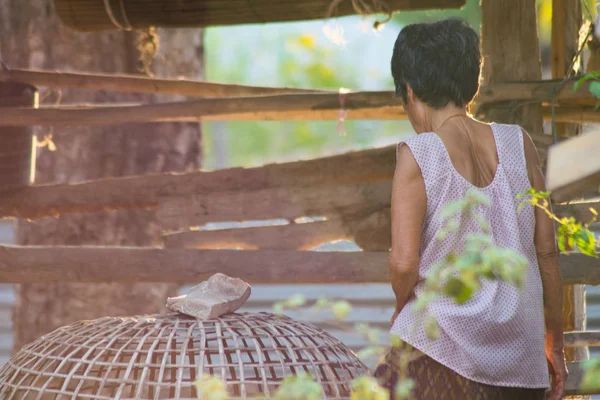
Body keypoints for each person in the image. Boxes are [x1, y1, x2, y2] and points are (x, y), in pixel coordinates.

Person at [374, 19, 568, 400]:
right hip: (520, 369)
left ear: (410, 92)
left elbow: (402, 264)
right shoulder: (519, 143)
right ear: (473, 84)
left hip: (443, 358)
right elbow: (547, 254)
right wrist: (554, 348)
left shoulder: (419, 154)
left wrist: (402, 310)